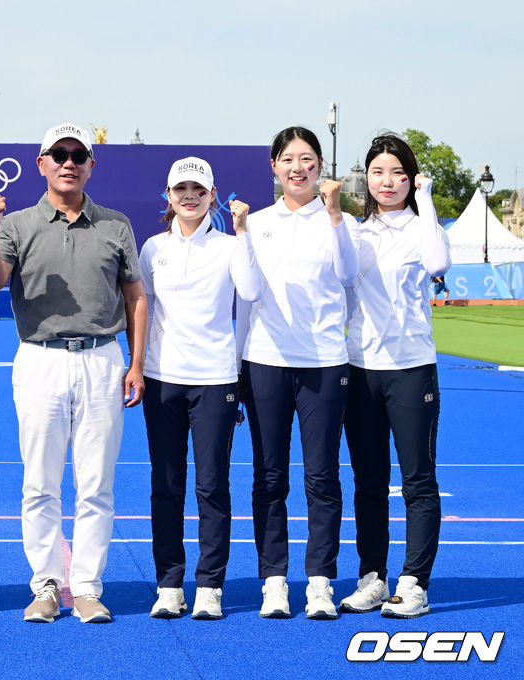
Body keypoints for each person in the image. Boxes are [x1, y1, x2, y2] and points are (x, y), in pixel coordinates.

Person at [0, 123, 147, 623]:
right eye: (59, 154)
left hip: (102, 358)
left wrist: (135, 363)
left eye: (78, 155)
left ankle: (89, 586)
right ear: (42, 163)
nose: (68, 162)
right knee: (40, 482)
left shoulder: (115, 225)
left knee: (96, 484)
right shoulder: (16, 224)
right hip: (39, 359)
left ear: (91, 165)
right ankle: (47, 585)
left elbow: (135, 297)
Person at [237, 126, 359, 619]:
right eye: (288, 159)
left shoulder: (338, 221)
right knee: (269, 477)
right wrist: (237, 364)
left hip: (325, 364)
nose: (297, 167)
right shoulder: (256, 222)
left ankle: (319, 581)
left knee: (322, 477)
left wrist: (333, 217)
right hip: (265, 361)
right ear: (274, 166)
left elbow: (349, 275)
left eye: (307, 159)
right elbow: (246, 297)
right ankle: (273, 580)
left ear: (320, 166)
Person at [139, 158, 262, 620]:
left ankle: (210, 585)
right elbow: (142, 309)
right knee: (166, 485)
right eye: (180, 189)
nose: (189, 196)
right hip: (162, 378)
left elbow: (249, 291)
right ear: (168, 197)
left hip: (215, 379)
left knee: (212, 486)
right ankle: (169, 584)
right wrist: (136, 366)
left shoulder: (230, 246)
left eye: (198, 189)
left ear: (213, 195)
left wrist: (244, 230)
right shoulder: (152, 247)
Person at [339, 134, 449, 618]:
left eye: (398, 172)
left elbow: (439, 264)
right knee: (367, 481)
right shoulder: (355, 231)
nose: (388, 182)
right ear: (368, 178)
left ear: (410, 176)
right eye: (378, 172)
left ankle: (414, 581)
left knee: (418, 480)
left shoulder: (424, 226)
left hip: (411, 370)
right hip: (361, 369)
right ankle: (373, 577)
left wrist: (425, 199)